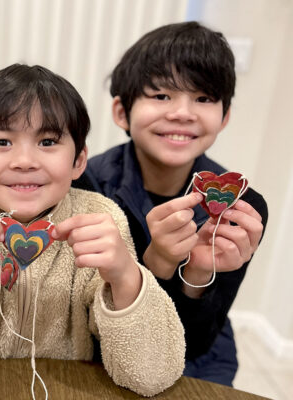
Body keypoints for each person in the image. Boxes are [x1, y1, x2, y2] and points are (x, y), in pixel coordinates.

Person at [0, 64, 185, 399]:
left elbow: (150, 377)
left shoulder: (100, 217)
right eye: (2, 141)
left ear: (78, 160)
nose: (25, 160)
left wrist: (126, 276)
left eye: (47, 141)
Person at [73, 21, 267, 386]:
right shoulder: (86, 186)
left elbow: (195, 343)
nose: (183, 112)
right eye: (161, 96)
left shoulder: (241, 207)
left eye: (204, 98)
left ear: (224, 117)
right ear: (121, 112)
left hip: (200, 356)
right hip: (105, 354)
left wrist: (196, 276)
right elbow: (89, 328)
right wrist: (157, 263)